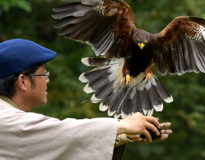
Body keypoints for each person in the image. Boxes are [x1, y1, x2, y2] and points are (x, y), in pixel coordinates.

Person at [0, 39, 172, 160]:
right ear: (22, 81)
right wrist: (121, 125)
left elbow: (45, 147)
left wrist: (119, 137)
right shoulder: (6, 120)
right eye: (43, 73)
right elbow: (61, 133)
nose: (47, 79)